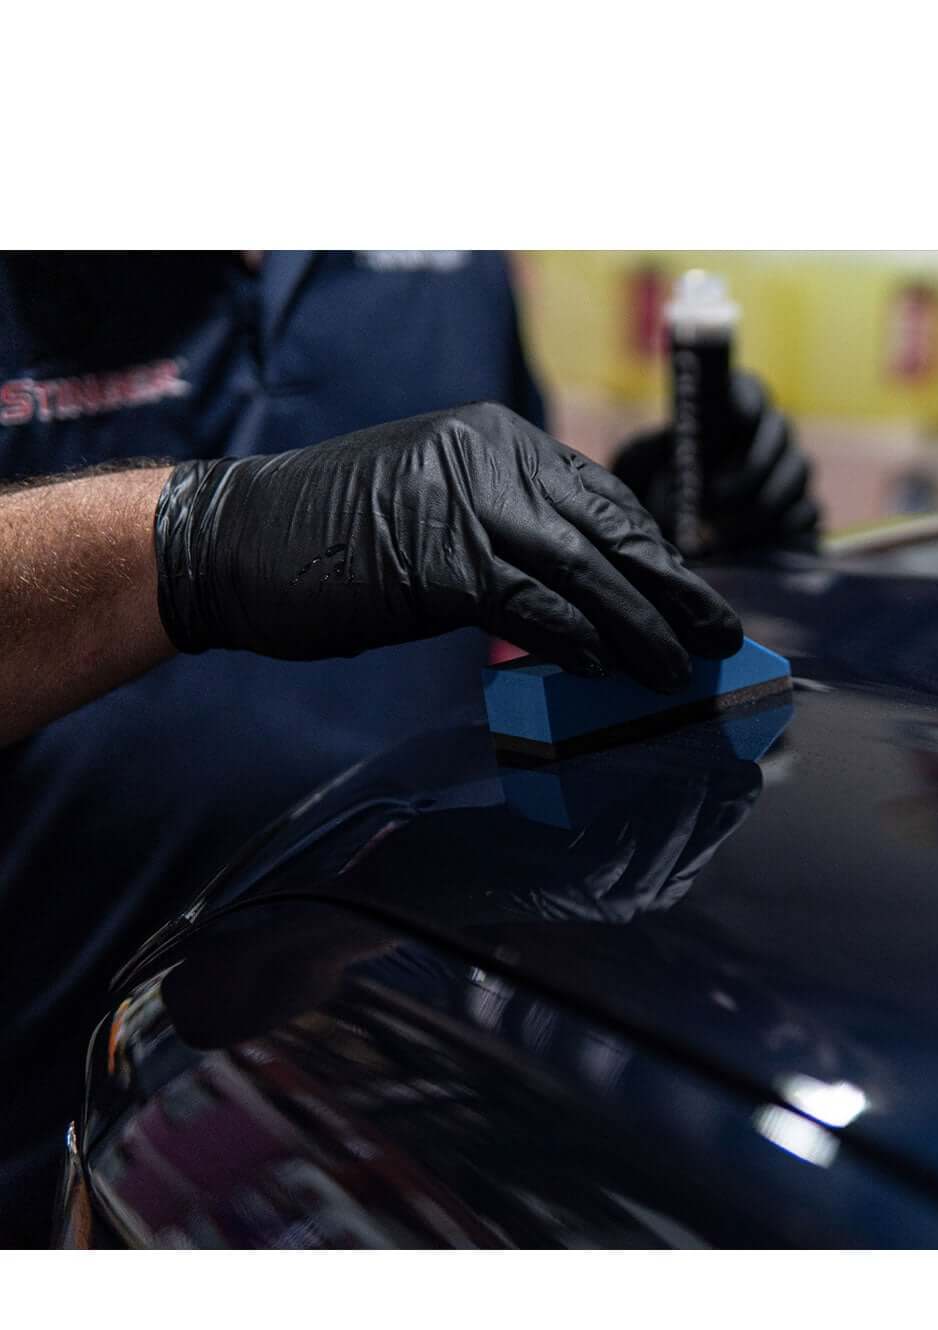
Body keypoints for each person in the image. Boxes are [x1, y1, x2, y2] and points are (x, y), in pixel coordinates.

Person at [0, 251, 819, 1246]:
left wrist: (630, 556)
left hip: (392, 1134)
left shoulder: (456, 257)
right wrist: (190, 543)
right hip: (55, 1144)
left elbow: (475, 577)